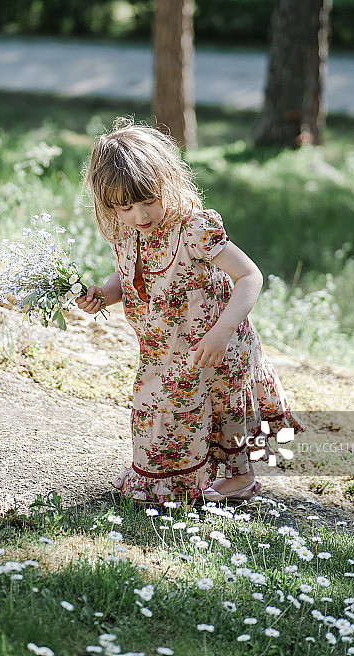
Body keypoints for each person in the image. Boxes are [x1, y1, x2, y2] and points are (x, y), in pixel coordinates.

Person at [77, 121, 304, 505]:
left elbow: (250, 276)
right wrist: (103, 294)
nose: (140, 214)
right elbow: (129, 273)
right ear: (109, 204)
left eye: (148, 200)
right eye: (126, 206)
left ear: (166, 181)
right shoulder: (127, 230)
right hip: (164, 351)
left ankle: (239, 479)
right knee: (161, 414)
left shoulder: (195, 229)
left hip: (217, 345)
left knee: (223, 407)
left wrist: (221, 331)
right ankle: (165, 477)